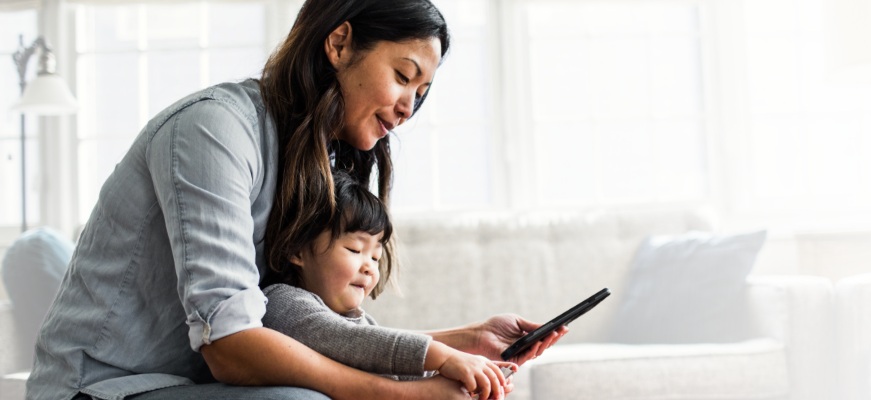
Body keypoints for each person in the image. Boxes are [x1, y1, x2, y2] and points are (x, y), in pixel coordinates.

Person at [26, 0, 567, 399]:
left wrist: (465, 342)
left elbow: (312, 331)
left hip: (187, 381)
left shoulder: (314, 161)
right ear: (339, 43)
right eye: (404, 76)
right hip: (104, 387)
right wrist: (403, 394)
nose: (408, 108)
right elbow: (232, 345)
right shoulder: (214, 130)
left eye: (421, 94)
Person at [261, 171, 516, 400]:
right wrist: (447, 356)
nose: (370, 267)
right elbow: (350, 341)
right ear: (297, 250)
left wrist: (469, 381)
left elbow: (400, 371)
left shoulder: (360, 322)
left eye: (375, 257)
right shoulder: (282, 302)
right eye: (355, 249)